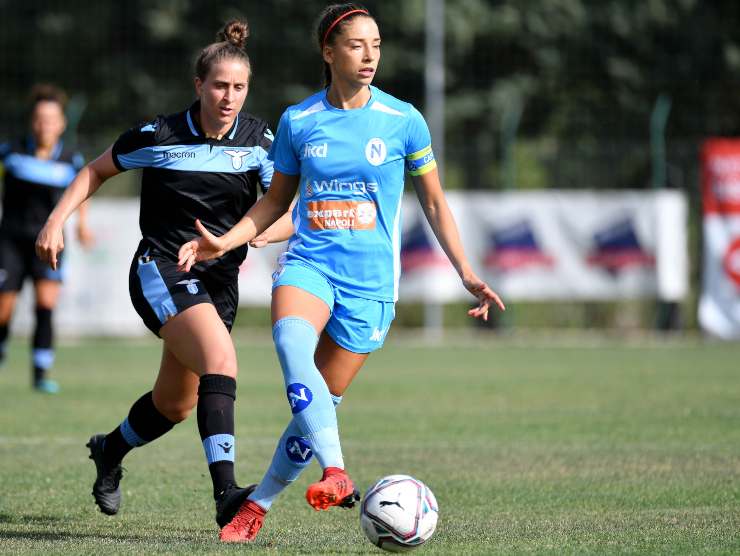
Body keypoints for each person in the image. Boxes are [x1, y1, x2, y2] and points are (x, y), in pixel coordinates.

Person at [177, 3, 505, 543]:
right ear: (329, 53)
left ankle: (257, 504)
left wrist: (466, 272)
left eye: (376, 44)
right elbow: (275, 203)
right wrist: (227, 241)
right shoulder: (298, 121)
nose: (370, 54)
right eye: (356, 45)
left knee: (319, 405)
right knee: (290, 342)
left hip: (371, 286)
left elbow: (436, 204)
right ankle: (336, 469)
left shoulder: (404, 120)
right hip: (310, 264)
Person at [35, 19, 278, 541]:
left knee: (175, 403)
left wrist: (246, 236)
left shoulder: (260, 141)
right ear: (199, 85)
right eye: (219, 86)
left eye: (239, 88)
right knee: (222, 361)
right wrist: (56, 220)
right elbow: (93, 171)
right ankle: (226, 496)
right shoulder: (159, 134)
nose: (229, 97)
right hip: (161, 269)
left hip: (218, 283)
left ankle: (109, 449)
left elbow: (280, 206)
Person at [0, 84, 93, 393]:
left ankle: (40, 373)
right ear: (32, 121)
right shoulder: (11, 152)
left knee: (45, 304)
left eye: (51, 119)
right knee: (4, 308)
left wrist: (82, 224)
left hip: (50, 243)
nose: (45, 125)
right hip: (10, 241)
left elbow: (82, 192)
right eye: (40, 118)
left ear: (62, 123)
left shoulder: (70, 159)